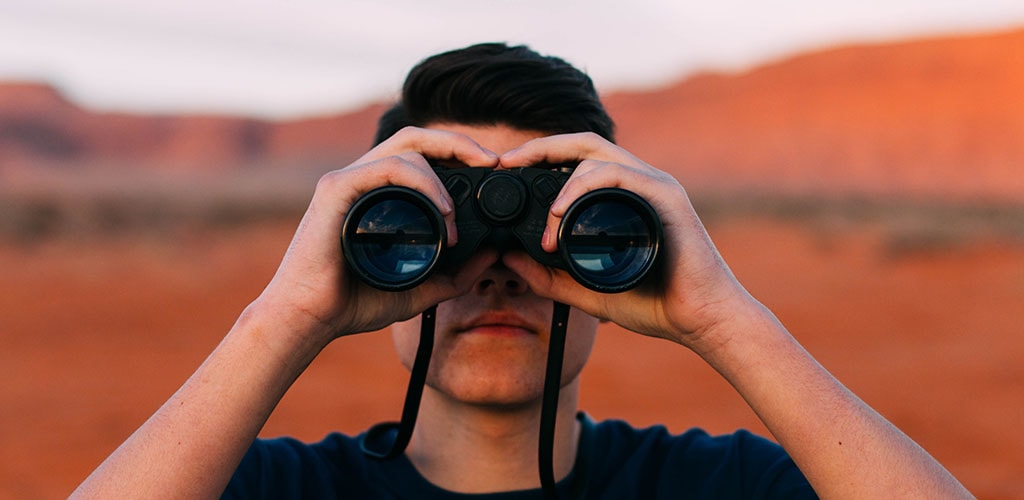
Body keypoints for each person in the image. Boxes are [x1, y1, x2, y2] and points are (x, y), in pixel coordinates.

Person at [72, 43, 972, 499]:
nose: (498, 272)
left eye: (558, 229)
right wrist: (285, 315)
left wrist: (727, 318)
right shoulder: (270, 489)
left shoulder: (724, 486)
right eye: (430, 227)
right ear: (351, 249)